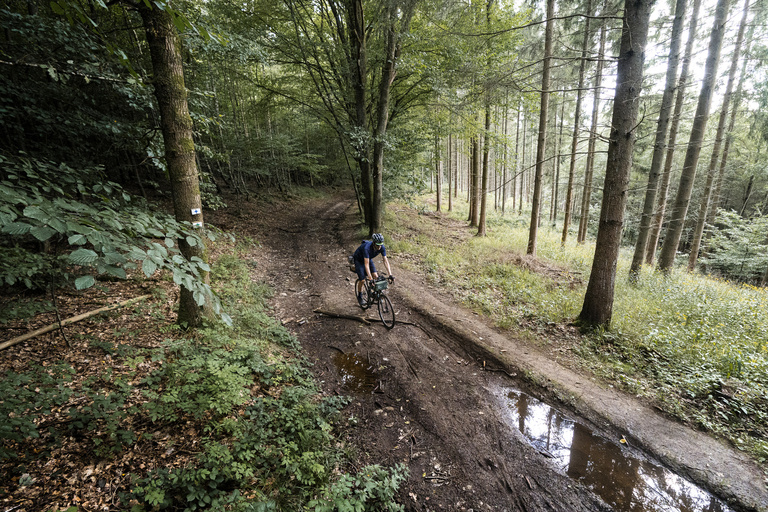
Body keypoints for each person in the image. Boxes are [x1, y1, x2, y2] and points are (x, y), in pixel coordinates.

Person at [353, 233, 394, 306]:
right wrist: (370, 278)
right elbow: (366, 264)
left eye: (381, 244)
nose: (379, 246)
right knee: (362, 280)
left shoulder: (382, 247)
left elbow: (385, 261)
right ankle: (360, 296)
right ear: (374, 243)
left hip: (368, 259)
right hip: (359, 260)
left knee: (376, 276)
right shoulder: (367, 248)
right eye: (378, 245)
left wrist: (390, 274)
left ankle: (375, 294)